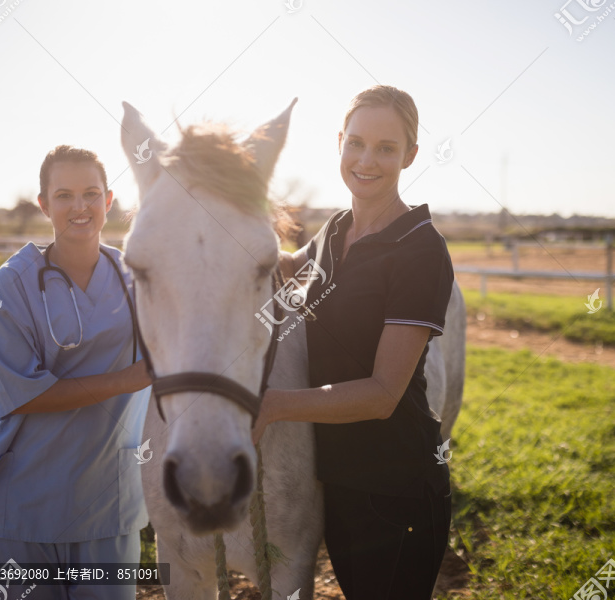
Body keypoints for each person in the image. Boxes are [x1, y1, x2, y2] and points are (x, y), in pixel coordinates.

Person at [252, 86, 454, 599]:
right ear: (340, 142)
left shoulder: (419, 250)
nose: (367, 160)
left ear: (410, 154)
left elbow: (384, 393)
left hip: (396, 488)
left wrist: (273, 405)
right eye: (357, 143)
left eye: (387, 148)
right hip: (339, 479)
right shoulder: (338, 229)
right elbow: (285, 266)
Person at [0, 145, 153, 600]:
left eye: (91, 193)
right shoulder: (14, 283)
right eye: (64, 195)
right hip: (28, 501)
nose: (79, 206)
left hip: (108, 502)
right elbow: (24, 394)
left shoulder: (137, 276)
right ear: (44, 204)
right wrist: (131, 378)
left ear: (108, 200)